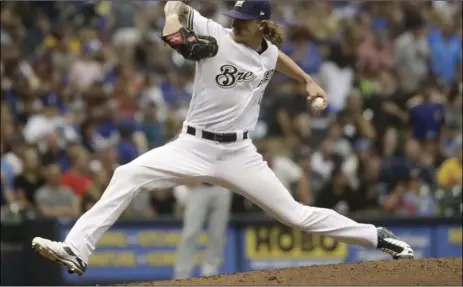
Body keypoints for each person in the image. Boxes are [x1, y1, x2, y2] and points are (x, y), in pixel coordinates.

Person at [32, 1, 414, 276]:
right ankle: (78, 249)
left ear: (261, 26)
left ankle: (378, 237)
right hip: (193, 146)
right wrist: (171, 21)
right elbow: (177, 7)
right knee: (127, 174)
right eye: (235, 17)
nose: (235, 24)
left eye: (244, 21)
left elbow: (276, 58)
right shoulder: (218, 33)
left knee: (295, 215)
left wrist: (308, 80)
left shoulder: (266, 52)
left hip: (239, 153)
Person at [173, 183, 232, 279]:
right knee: (190, 233)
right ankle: (182, 273)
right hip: (200, 186)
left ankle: (211, 272)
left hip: (221, 186)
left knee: (218, 233)